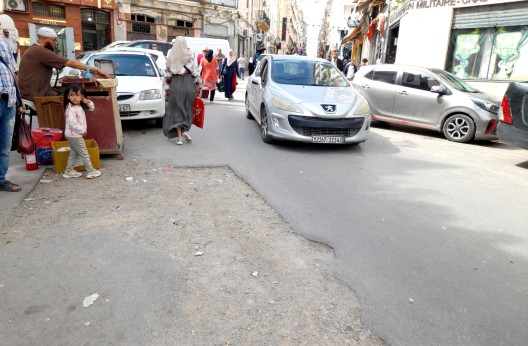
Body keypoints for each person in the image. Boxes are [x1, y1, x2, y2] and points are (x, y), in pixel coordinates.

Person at [18, 27, 110, 102]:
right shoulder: (40, 51)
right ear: (45, 39)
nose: (55, 43)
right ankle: (70, 122)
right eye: (54, 40)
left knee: (67, 91)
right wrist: (97, 70)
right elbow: (72, 63)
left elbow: (70, 62)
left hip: (33, 91)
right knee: (72, 96)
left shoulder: (34, 49)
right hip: (36, 94)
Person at [163, 36, 201, 145]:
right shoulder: (190, 56)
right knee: (187, 109)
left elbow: (167, 75)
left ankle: (180, 137)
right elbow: (196, 73)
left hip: (176, 84)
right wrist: (198, 87)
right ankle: (184, 130)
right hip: (189, 85)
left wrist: (166, 89)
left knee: (177, 110)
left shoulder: (171, 56)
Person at [62, 84, 101, 179]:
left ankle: (68, 171)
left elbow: (92, 108)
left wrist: (87, 102)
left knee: (74, 153)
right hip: (75, 135)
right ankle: (91, 171)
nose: (74, 97)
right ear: (68, 96)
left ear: (82, 96)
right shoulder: (71, 109)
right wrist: (82, 131)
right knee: (84, 153)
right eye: (72, 95)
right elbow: (72, 123)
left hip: (72, 135)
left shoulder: (79, 106)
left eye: (77, 95)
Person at [0, 37, 23, 192]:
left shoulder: (4, 41)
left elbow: (13, 71)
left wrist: (19, 100)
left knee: (4, 146)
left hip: (9, 101)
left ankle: (1, 179)